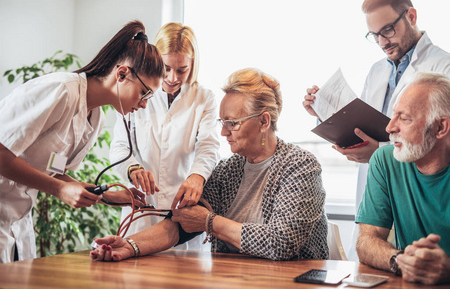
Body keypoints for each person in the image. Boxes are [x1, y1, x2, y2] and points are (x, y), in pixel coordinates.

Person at [91, 68, 329, 261]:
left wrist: (210, 222)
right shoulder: (228, 170)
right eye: (221, 122)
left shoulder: (300, 166)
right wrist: (130, 245)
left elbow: (282, 243)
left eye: (232, 123)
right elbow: (181, 224)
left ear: (264, 121)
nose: (224, 132)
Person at [0, 20, 165, 263]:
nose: (144, 104)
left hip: (17, 223)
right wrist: (59, 189)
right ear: (122, 74)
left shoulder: (95, 116)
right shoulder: (60, 90)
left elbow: (54, 171)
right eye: (145, 93)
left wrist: (106, 195)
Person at [302, 0, 450, 260]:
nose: (382, 42)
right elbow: (364, 123)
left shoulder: (444, 67)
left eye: (388, 30)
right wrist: (325, 112)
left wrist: (381, 151)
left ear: (412, 16)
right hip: (381, 183)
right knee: (375, 256)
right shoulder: (377, 71)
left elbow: (438, 142)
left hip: (419, 190)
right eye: (374, 35)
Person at [109, 22, 220, 250]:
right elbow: (119, 147)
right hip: (141, 214)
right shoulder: (135, 91)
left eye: (182, 70)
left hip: (183, 216)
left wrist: (197, 177)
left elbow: (208, 147)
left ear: (193, 65)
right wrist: (133, 169)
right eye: (166, 67)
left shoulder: (204, 98)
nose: (171, 77)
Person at [356, 72, 450, 285]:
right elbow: (366, 242)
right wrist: (400, 260)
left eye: (404, 119)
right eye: (393, 115)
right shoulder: (386, 160)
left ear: (440, 127)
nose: (390, 128)